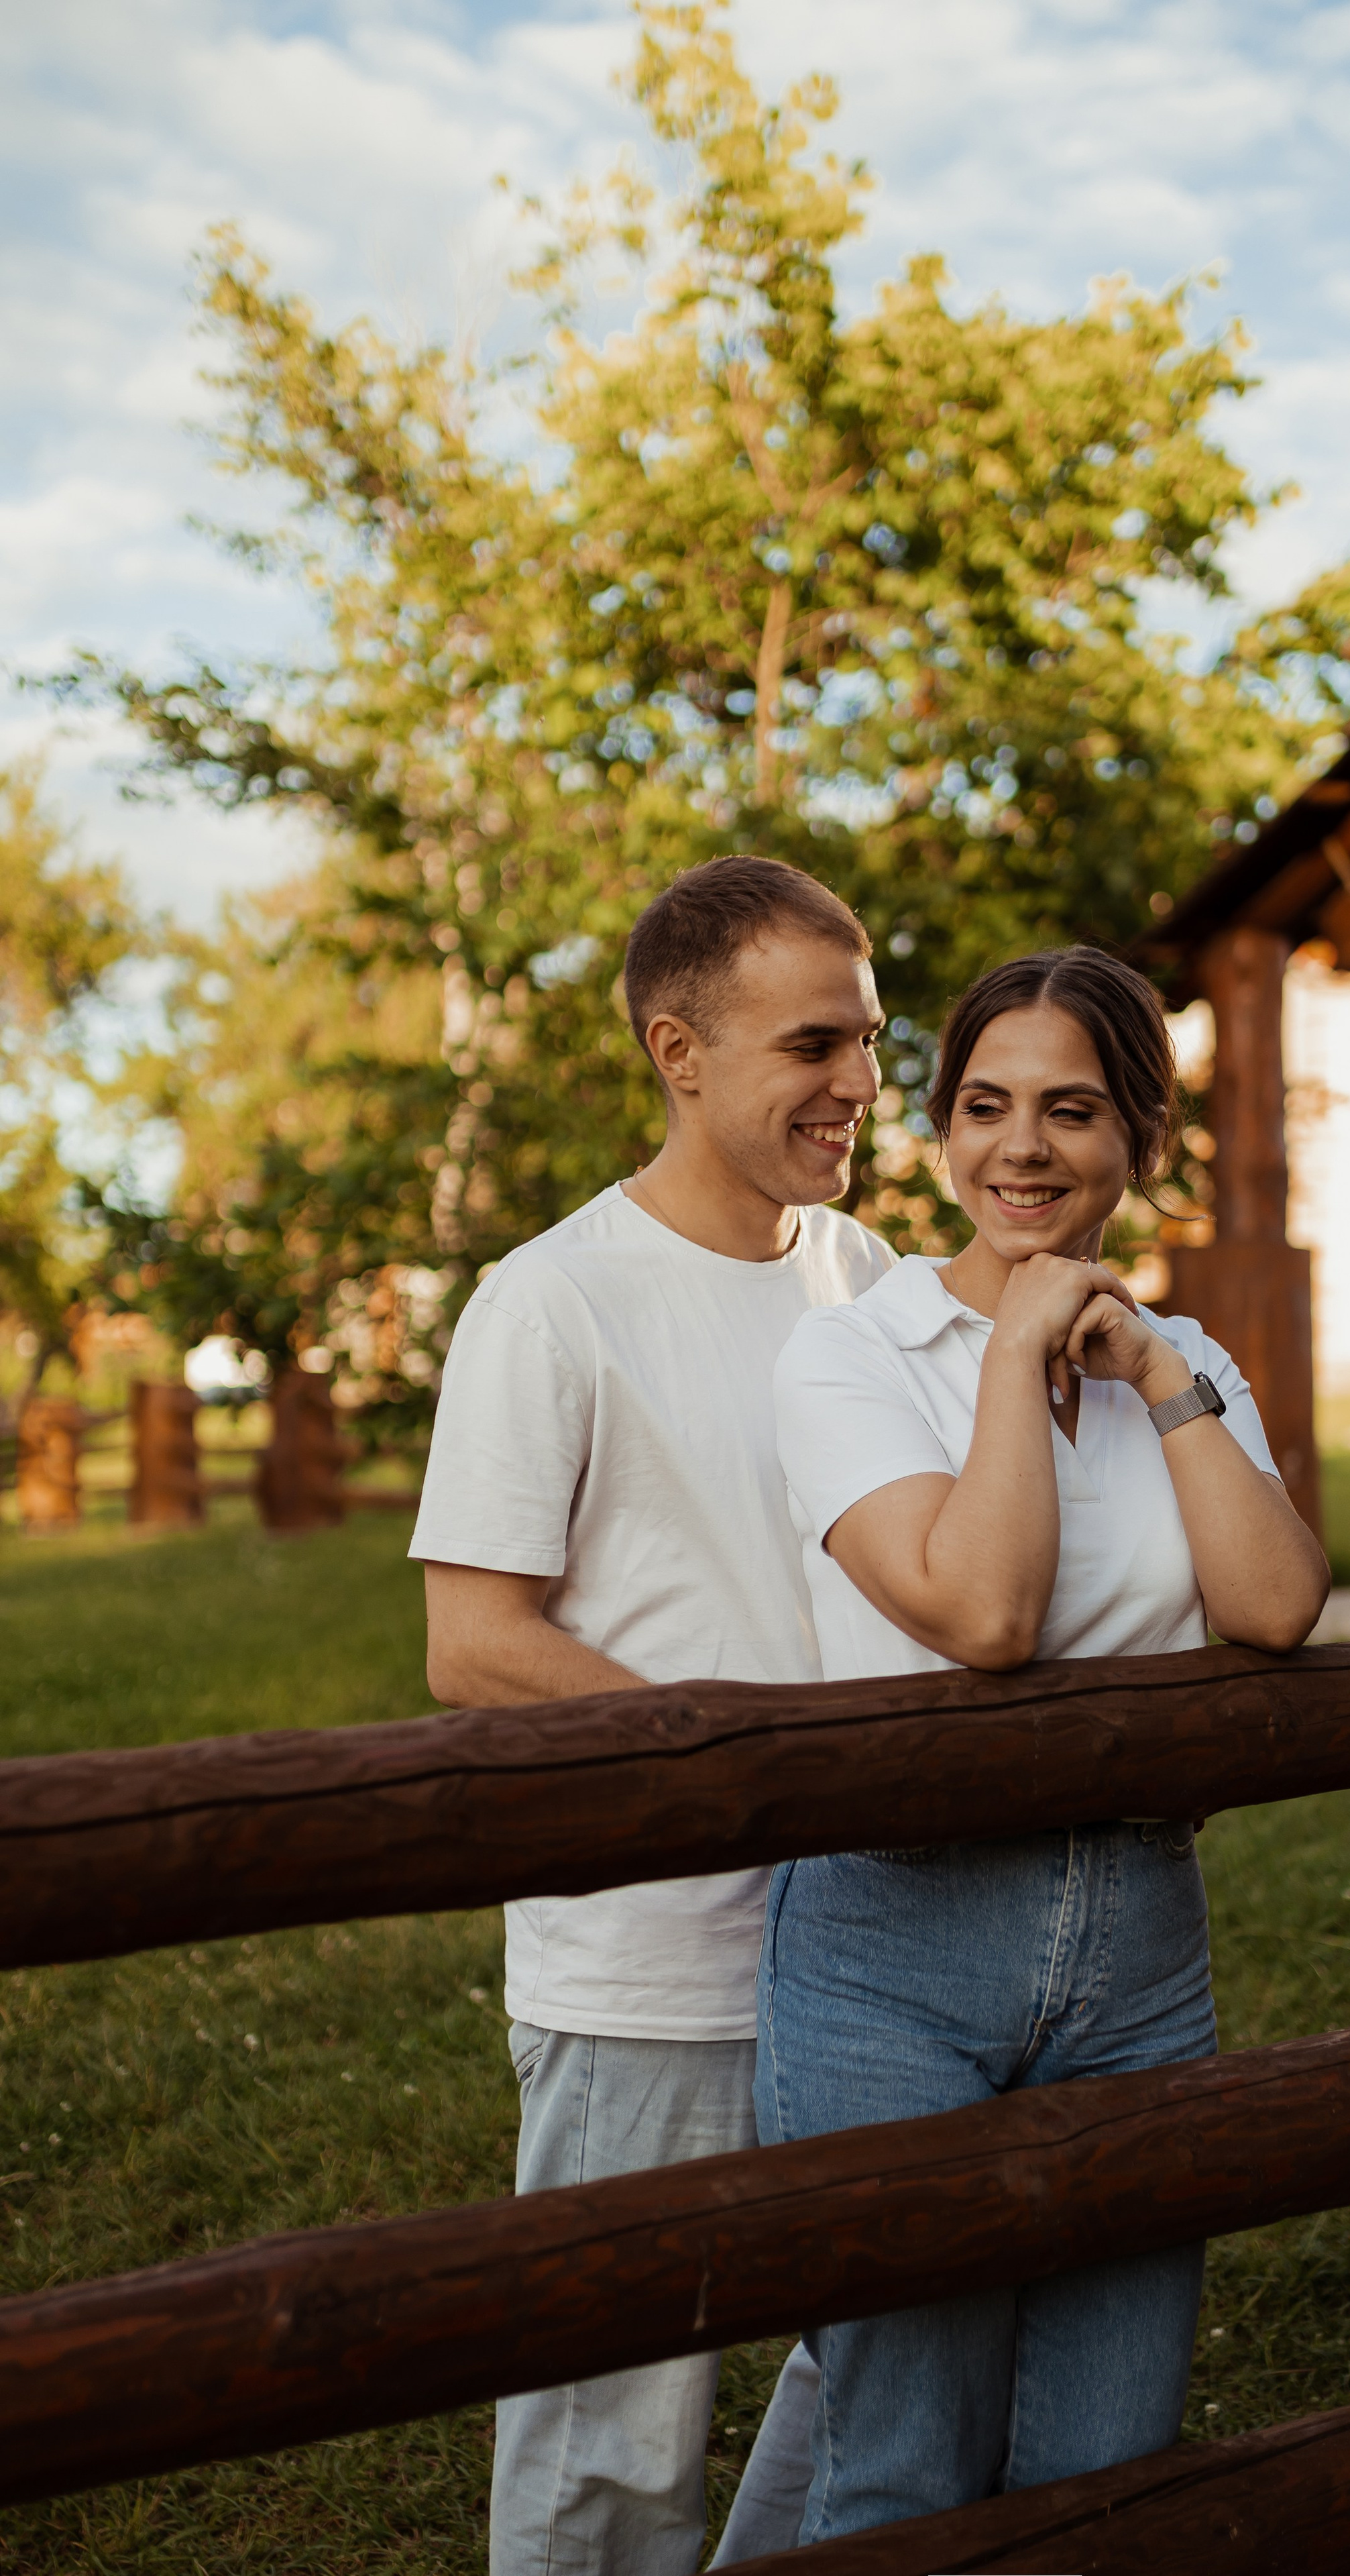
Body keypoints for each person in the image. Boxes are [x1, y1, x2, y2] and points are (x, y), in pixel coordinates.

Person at [761, 944, 1329, 2544]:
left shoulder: (1189, 1365)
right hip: (893, 1943)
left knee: (1106, 2465)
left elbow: (1277, 1607)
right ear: (939, 1131)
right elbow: (981, 1610)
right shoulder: (849, 1354)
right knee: (903, 2472)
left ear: (1135, 1144)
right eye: (985, 1106)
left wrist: (1150, 1368)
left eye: (1071, 1110)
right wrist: (1013, 1349)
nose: (1021, 1147)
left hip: (1141, 1952)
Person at [408, 855, 893, 2576]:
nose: (858, 1086)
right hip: (647, 1965)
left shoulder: (869, 1273)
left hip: (876, 1938)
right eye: (813, 1044)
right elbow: (473, 1642)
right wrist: (746, 1769)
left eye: (870, 1042)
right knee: (613, 2432)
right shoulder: (553, 1301)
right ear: (678, 1051)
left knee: (893, 2352)